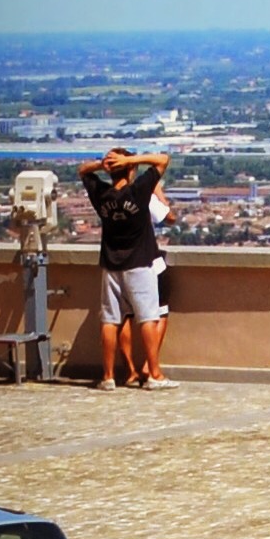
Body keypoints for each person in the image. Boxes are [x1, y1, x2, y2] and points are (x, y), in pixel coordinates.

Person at [78, 145, 172, 389]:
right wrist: (131, 161)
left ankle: (108, 376)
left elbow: (82, 172)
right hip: (140, 263)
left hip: (111, 264)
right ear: (130, 170)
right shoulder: (139, 192)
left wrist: (104, 164)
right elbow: (163, 160)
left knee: (110, 320)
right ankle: (154, 375)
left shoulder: (102, 195)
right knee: (149, 318)